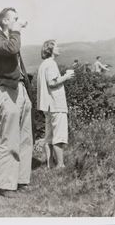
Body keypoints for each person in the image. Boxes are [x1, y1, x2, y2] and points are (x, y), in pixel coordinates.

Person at [0, 7, 33, 198]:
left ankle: (21, 180)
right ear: (5, 21)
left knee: (25, 138)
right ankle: (6, 184)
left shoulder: (11, 39)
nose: (19, 20)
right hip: (8, 91)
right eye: (15, 18)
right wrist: (17, 30)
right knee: (9, 139)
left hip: (21, 90)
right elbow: (12, 49)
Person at [37, 40, 74, 169]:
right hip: (56, 104)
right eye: (57, 46)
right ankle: (60, 165)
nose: (59, 48)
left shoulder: (43, 65)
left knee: (49, 136)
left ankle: (49, 164)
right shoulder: (51, 64)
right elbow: (52, 83)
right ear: (51, 49)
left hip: (47, 105)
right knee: (59, 135)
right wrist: (66, 76)